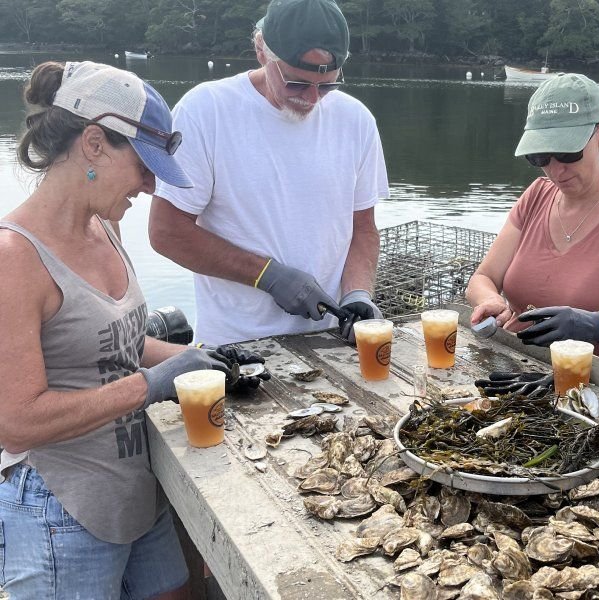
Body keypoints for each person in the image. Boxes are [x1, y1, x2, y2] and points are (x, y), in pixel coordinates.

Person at [0, 61, 240, 599]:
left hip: (138, 489)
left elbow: (118, 346)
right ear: (93, 144)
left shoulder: (105, 227)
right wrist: (150, 386)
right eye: (144, 166)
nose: (152, 186)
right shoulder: (14, 258)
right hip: (64, 508)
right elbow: (15, 423)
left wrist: (198, 360)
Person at [149, 0, 389, 347]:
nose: (311, 97)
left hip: (330, 341)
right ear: (262, 50)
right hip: (238, 344)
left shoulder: (357, 121)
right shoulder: (207, 110)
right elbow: (166, 232)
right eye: (296, 83)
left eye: (326, 86)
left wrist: (358, 293)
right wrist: (267, 275)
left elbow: (363, 228)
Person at [466, 73, 599, 369]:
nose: (556, 170)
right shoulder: (536, 195)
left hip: (586, 381)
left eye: (567, 152)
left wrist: (594, 326)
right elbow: (482, 279)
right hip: (512, 366)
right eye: (541, 157)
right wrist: (490, 300)